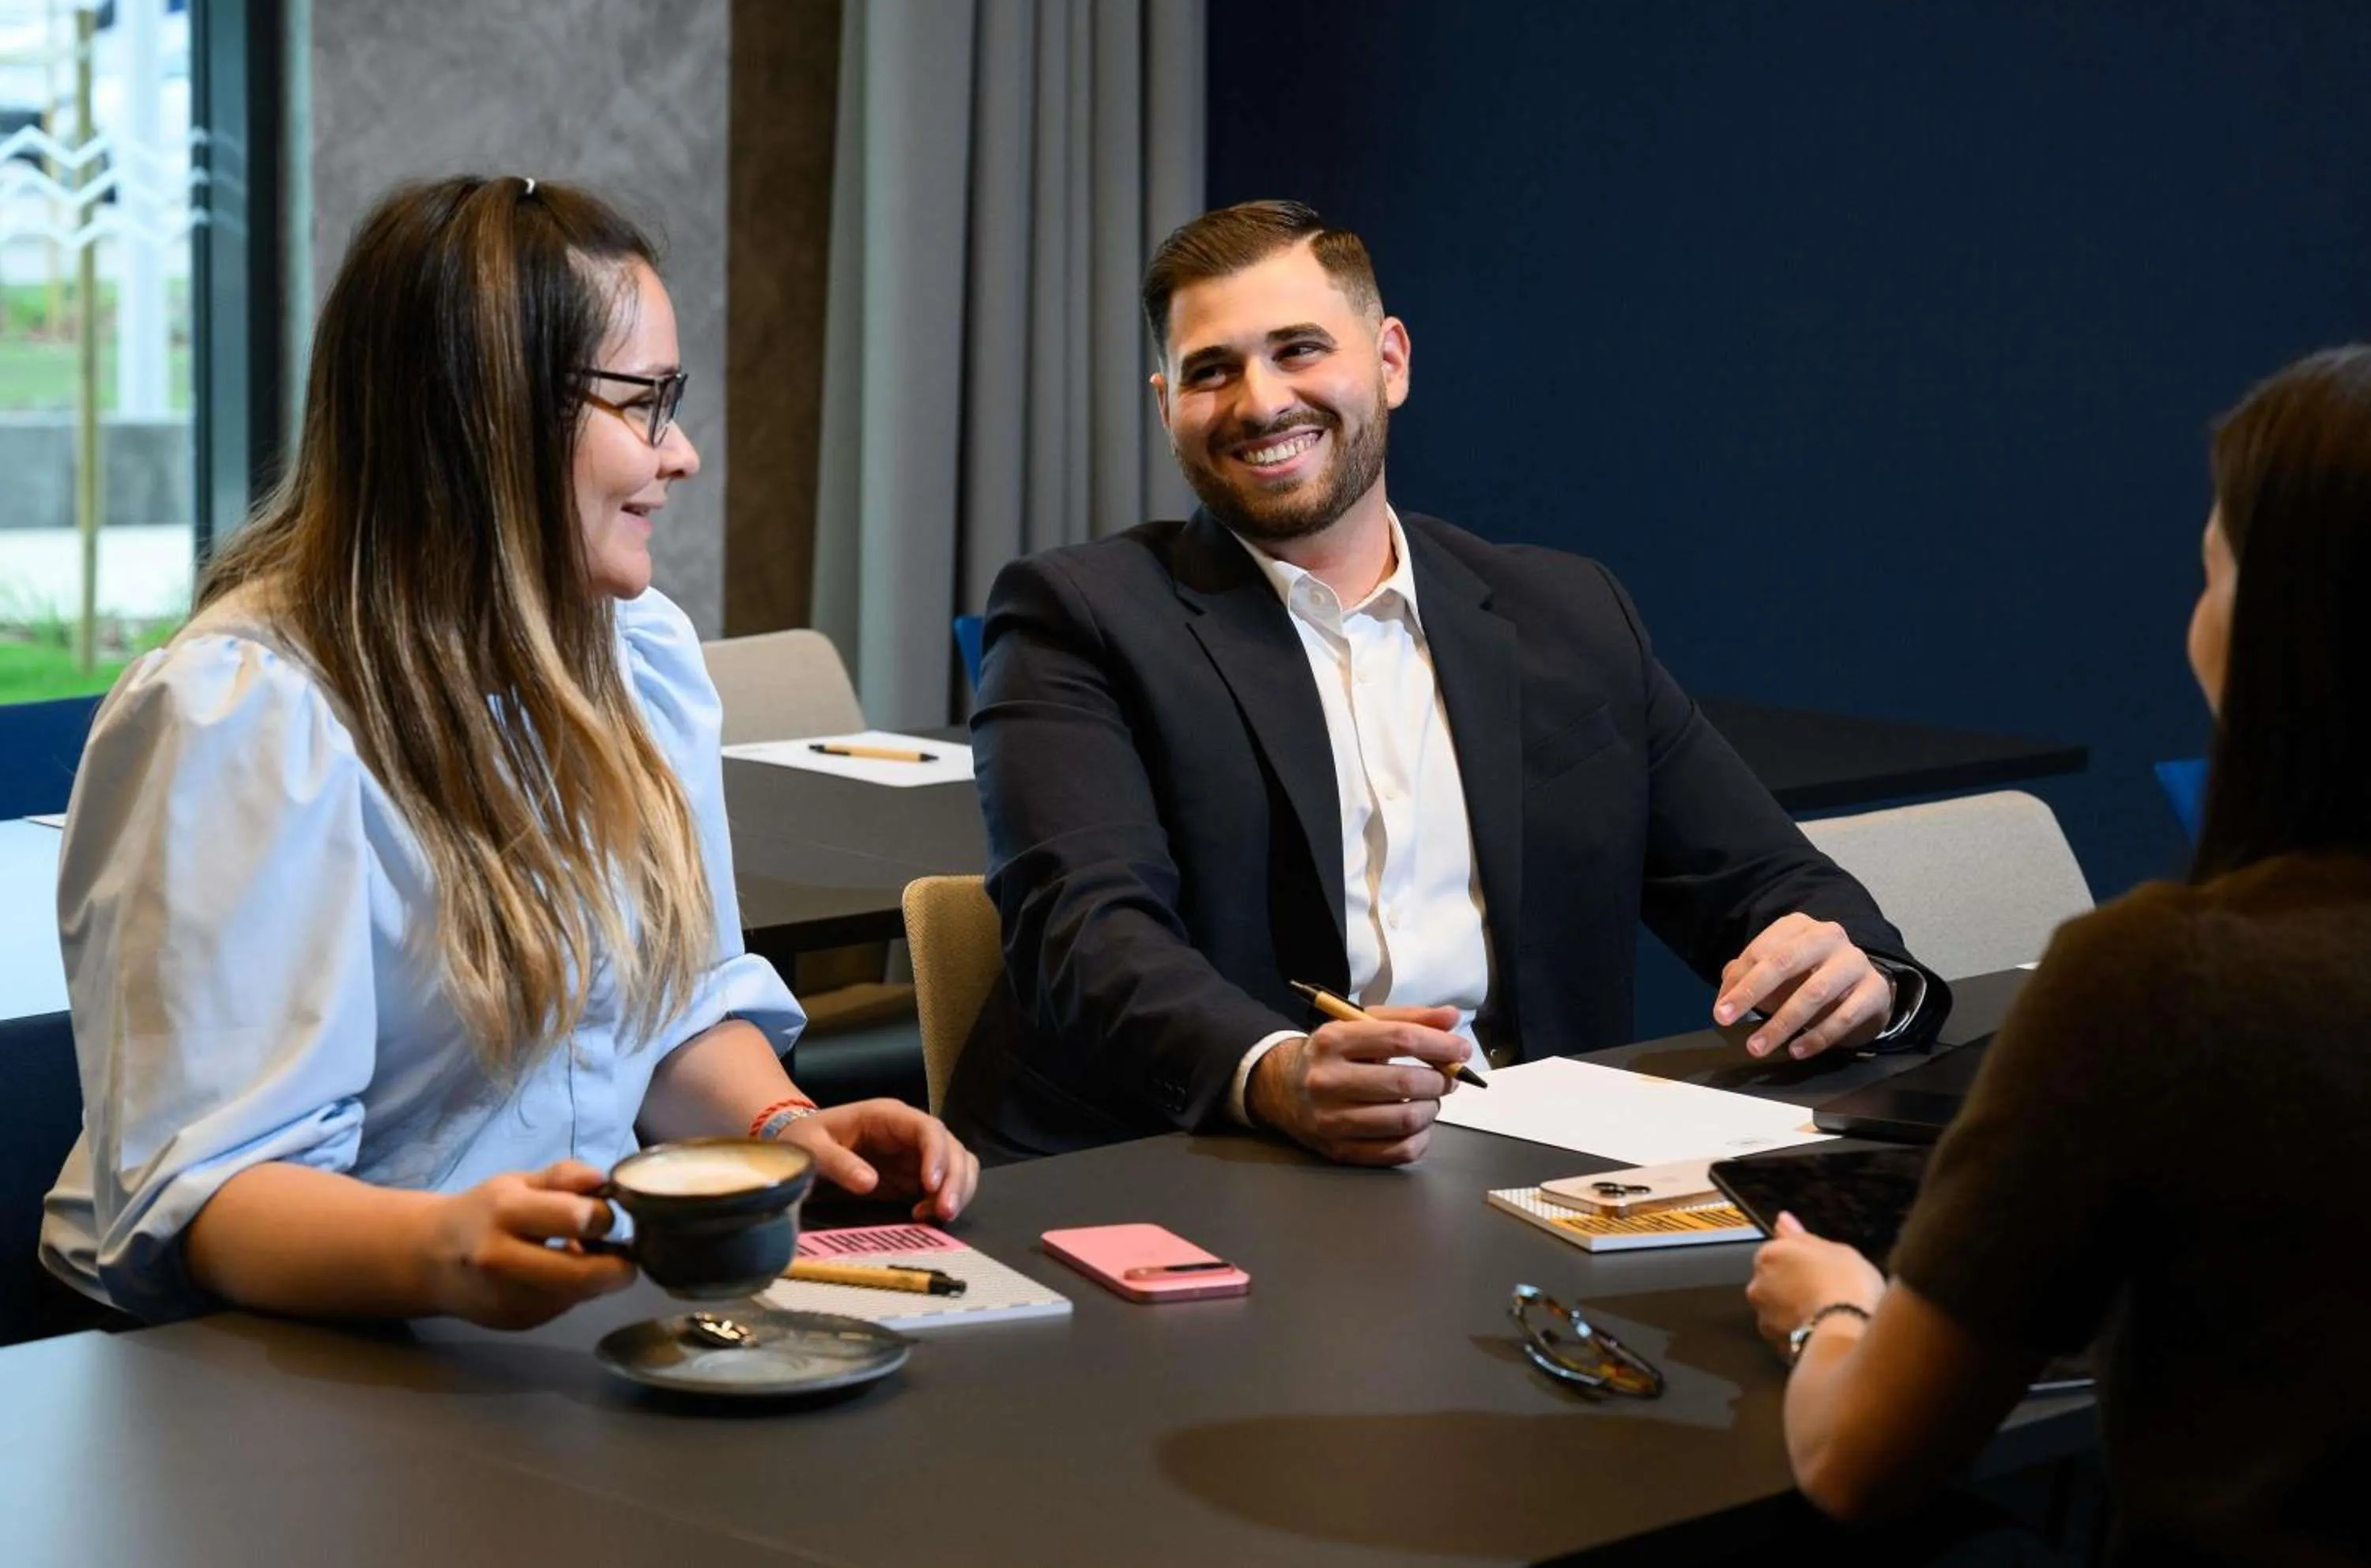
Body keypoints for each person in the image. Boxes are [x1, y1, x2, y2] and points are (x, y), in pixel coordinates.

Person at [40, 175, 976, 1329]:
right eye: (643, 402)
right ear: (484, 421)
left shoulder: (638, 651)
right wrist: (445, 1249)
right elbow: (207, 1202)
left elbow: (666, 1011)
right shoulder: (246, 716)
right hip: (282, 1370)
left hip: (526, 1335)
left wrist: (784, 1127)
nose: (679, 453)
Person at [947, 199, 1950, 1165]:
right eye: (1212, 371)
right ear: (1168, 409)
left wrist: (1863, 977)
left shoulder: (1568, 611)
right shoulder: (1075, 614)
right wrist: (1274, 1071)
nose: (1260, 403)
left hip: (1521, 1157)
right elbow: (1084, 933)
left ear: (1389, 363)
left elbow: (1767, 880)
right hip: (1201, 1160)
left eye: (1300, 349)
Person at [1744, 349, 2371, 1563]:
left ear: (2272, 627)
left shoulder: (2161, 984)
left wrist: (1832, 1309)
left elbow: (1858, 1460)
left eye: (2212, 570)